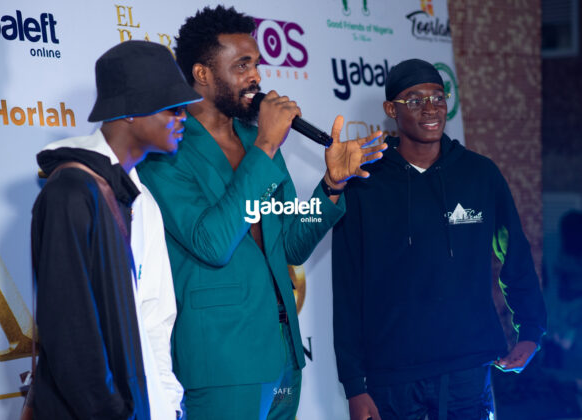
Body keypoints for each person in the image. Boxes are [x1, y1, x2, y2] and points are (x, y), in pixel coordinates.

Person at [136, 5, 386, 419]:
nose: (255, 76)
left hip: (284, 356)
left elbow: (291, 246)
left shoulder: (255, 140)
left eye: (256, 64)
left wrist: (331, 185)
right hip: (222, 361)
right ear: (202, 74)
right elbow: (212, 243)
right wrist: (267, 146)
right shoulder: (167, 150)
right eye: (242, 65)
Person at [332, 58, 547, 420]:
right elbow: (347, 284)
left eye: (437, 97)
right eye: (415, 100)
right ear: (391, 110)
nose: (430, 108)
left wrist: (531, 330)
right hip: (392, 374)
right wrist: (354, 383)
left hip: (468, 368)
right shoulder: (365, 183)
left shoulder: (480, 174)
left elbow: (516, 256)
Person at [31, 40, 201, 419]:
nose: (184, 118)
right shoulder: (69, 192)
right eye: (173, 108)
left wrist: (168, 404)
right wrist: (111, 412)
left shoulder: (144, 201)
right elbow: (68, 329)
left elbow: (155, 318)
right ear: (129, 113)